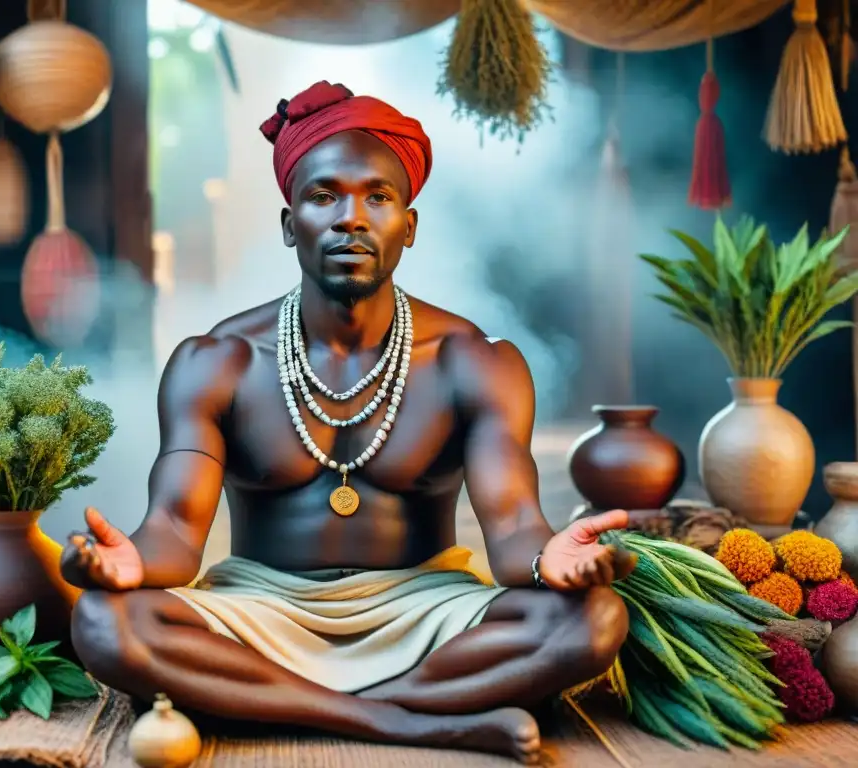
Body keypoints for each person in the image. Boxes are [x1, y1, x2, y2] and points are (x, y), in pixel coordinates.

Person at [64, 81, 635, 764]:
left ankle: (266, 704)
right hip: (260, 611)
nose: (351, 219)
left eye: (378, 197)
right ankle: (414, 722)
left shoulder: (474, 362)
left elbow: (513, 532)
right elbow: (176, 535)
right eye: (324, 196)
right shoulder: (217, 361)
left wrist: (551, 561)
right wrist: (129, 560)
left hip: (425, 610)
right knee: (103, 619)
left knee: (594, 620)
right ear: (289, 224)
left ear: (409, 226)